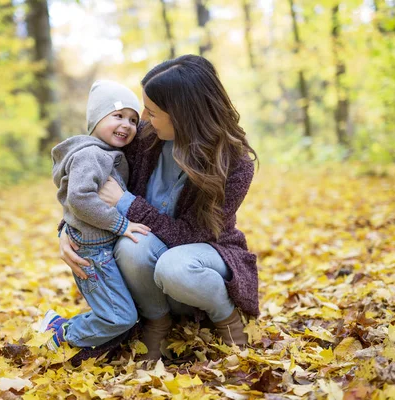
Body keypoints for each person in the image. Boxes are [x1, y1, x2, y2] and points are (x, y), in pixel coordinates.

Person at [60, 55, 260, 361]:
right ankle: (158, 322)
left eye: (152, 112)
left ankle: (226, 318)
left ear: (182, 114)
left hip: (204, 256)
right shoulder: (146, 138)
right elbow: (86, 179)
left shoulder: (235, 165)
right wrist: (66, 231)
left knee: (174, 266)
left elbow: (192, 234)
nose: (142, 119)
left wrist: (127, 203)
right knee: (132, 246)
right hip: (151, 270)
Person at [39, 80, 151, 352]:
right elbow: (79, 197)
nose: (126, 125)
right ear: (96, 119)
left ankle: (67, 327)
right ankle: (62, 333)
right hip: (93, 253)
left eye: (133, 120)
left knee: (119, 310)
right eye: (117, 116)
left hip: (102, 247)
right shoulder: (92, 154)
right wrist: (120, 224)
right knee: (120, 317)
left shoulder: (107, 153)